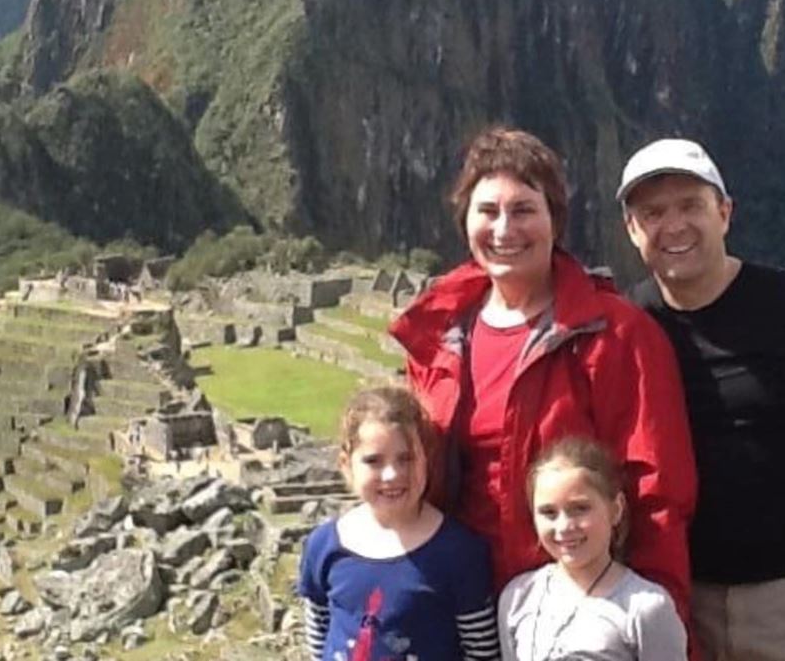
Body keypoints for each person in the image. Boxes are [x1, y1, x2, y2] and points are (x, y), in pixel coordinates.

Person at [389, 126, 697, 628]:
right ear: (464, 220)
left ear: (555, 220)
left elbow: (657, 493)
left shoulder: (616, 336)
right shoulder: (440, 334)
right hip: (456, 604)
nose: (504, 229)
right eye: (487, 211)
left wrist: (652, 623)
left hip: (574, 612)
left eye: (524, 210)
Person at [617, 138, 785, 661]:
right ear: (632, 230)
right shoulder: (629, 324)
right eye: (653, 213)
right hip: (677, 600)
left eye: (691, 205)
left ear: (724, 213)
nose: (673, 226)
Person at [296, 386, 500, 661]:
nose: (392, 474)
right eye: (373, 461)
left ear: (427, 459)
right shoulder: (323, 546)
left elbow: (482, 653)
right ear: (346, 465)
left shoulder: (460, 553)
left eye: (406, 459)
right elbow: (319, 637)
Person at [499, 436, 687, 660]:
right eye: (549, 512)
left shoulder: (645, 607)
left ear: (615, 509)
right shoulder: (518, 596)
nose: (564, 526)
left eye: (580, 508)